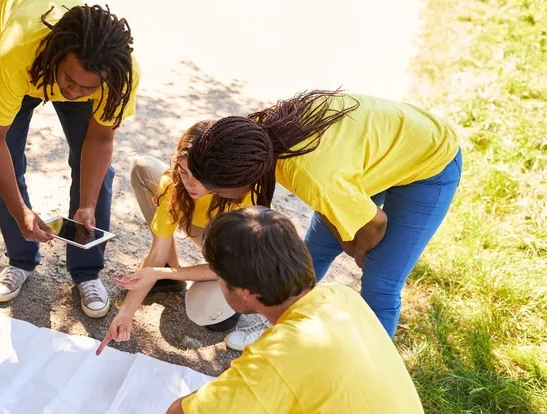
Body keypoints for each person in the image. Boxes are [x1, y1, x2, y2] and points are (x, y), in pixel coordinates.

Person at [148, 207, 442, 414]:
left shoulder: (283, 357)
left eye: (219, 278)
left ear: (245, 293)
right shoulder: (341, 298)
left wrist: (216, 397)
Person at [181, 90, 462, 338]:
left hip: (430, 159)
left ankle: (364, 374)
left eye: (216, 190)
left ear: (241, 179)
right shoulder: (254, 142)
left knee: (381, 283)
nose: (213, 195)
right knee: (310, 255)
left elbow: (375, 225)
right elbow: (329, 203)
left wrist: (360, 251)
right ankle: (283, 330)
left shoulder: (312, 177)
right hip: (373, 154)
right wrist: (343, 235)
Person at [0, 0, 140, 318]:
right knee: (2, 167)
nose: (75, 92)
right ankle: (20, 260)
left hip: (67, 67)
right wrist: (20, 210)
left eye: (87, 87)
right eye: (70, 81)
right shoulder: (15, 54)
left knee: (97, 176)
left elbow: (100, 138)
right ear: (57, 56)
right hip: (27, 59)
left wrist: (88, 204)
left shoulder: (120, 74)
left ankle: (87, 273)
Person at [98, 121, 264, 354]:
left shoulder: (241, 197)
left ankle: (238, 306)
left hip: (240, 266)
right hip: (207, 231)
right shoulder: (177, 185)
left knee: (202, 312)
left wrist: (158, 273)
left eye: (198, 176)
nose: (190, 184)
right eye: (183, 172)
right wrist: (125, 313)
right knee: (144, 167)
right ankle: (170, 279)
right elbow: (157, 253)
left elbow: (228, 268)